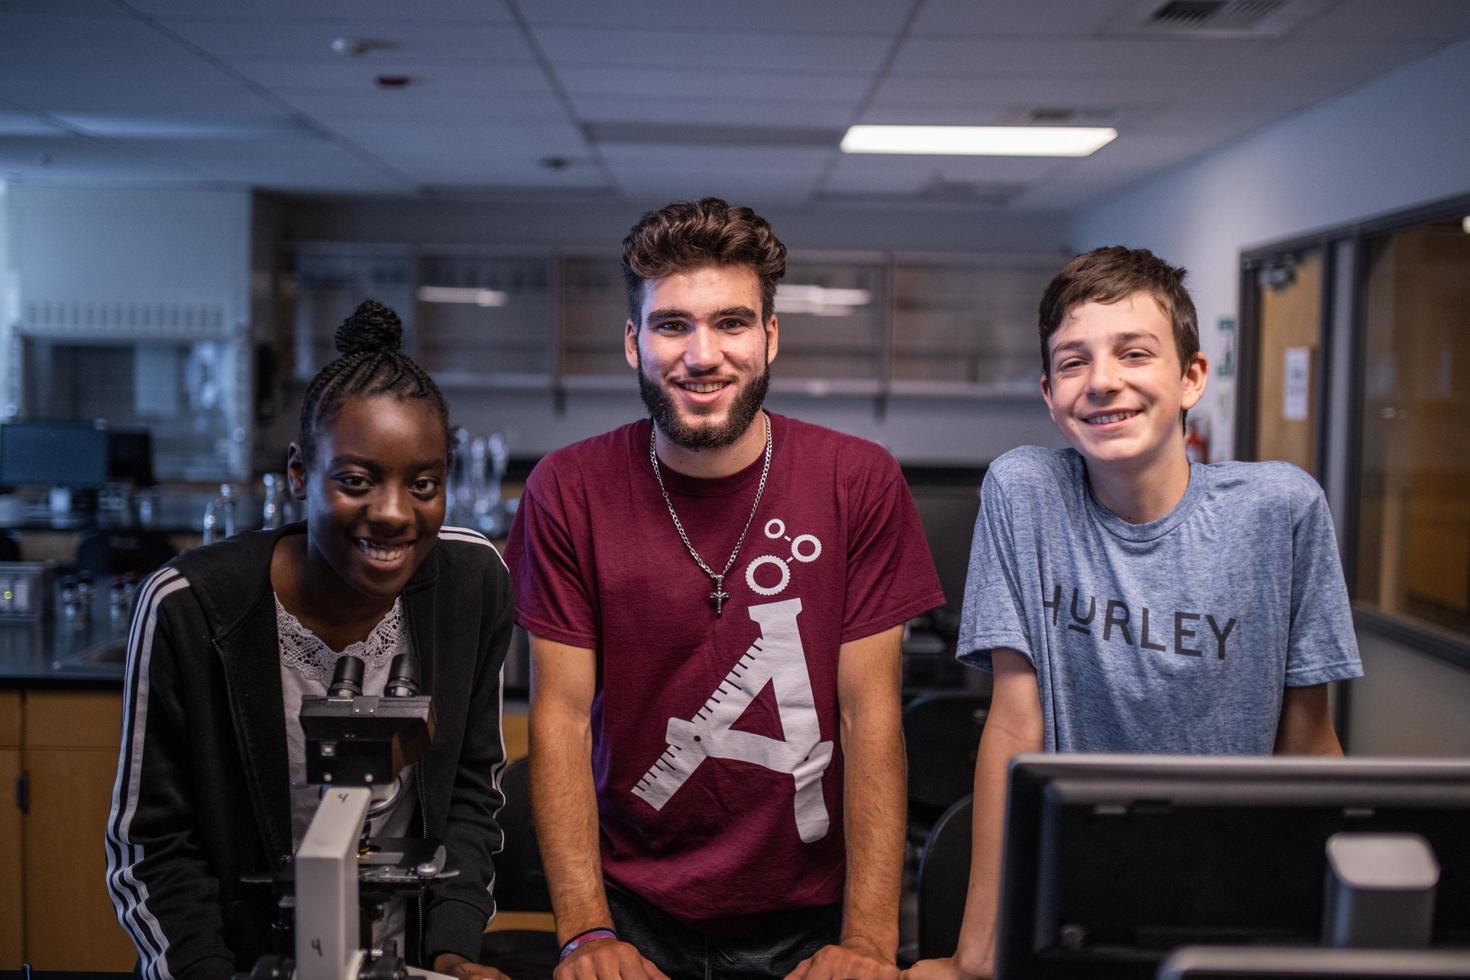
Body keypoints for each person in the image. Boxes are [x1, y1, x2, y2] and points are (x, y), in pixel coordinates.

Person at [505, 198, 944, 980]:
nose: (702, 355)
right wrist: (583, 933)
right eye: (673, 325)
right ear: (634, 342)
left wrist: (870, 941)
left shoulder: (857, 480)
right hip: (627, 911)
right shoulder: (566, 489)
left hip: (813, 915)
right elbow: (562, 718)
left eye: (732, 323)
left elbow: (869, 714)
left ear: (770, 337)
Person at [905, 246, 1364, 980]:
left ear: (1191, 377)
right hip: (1070, 896)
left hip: (1237, 900)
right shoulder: (1025, 492)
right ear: (1050, 395)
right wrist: (973, 959)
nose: (1104, 382)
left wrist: (1341, 943)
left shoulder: (1281, 510)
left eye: (1134, 352)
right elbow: (1016, 726)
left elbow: (1309, 746)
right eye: (1074, 361)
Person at [105, 300, 513, 980]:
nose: (392, 514)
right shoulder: (190, 608)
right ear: (299, 471)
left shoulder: (470, 582)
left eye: (424, 484)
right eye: (355, 481)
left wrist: (451, 952)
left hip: (408, 955)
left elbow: (470, 789)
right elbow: (152, 844)